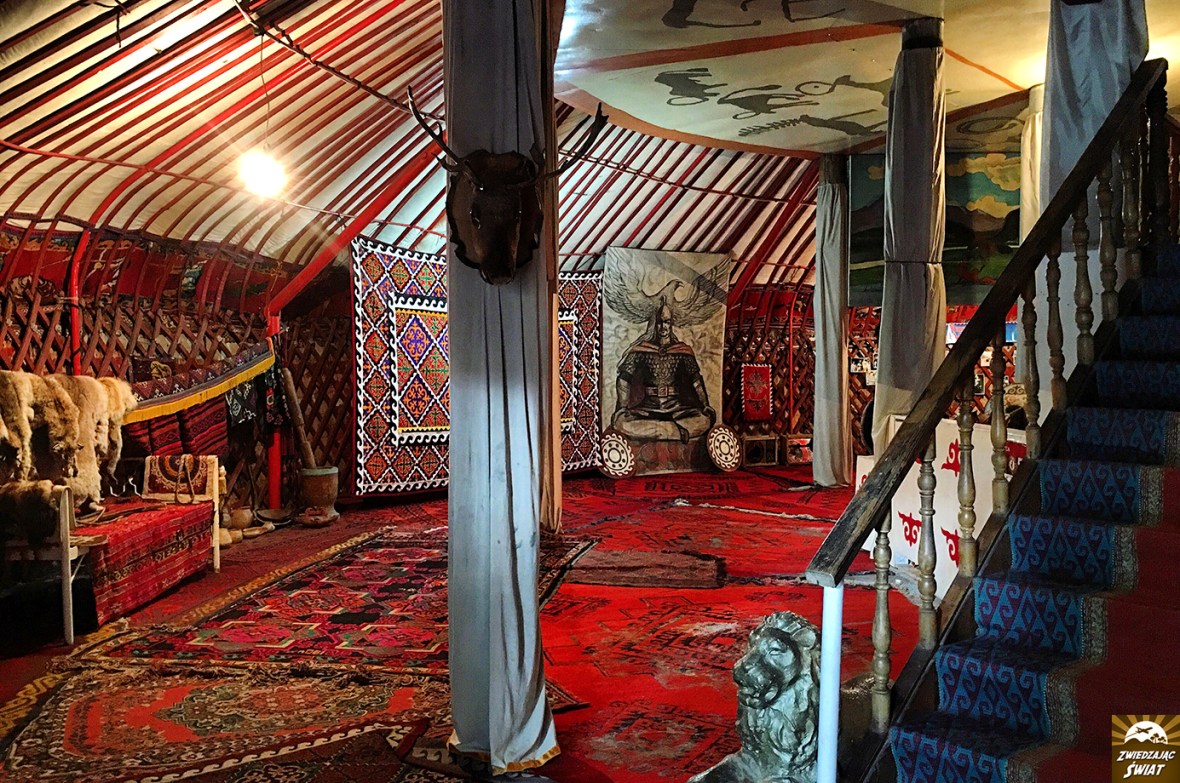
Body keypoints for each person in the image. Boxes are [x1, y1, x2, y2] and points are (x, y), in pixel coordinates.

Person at [611, 299, 715, 443]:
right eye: (660, 322)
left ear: (671, 324)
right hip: (648, 410)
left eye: (667, 322)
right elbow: (624, 379)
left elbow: (696, 381)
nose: (663, 327)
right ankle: (674, 431)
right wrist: (622, 408)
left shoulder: (682, 351)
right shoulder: (641, 350)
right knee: (620, 423)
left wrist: (705, 405)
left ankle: (661, 431)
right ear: (654, 324)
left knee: (704, 420)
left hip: (677, 410)